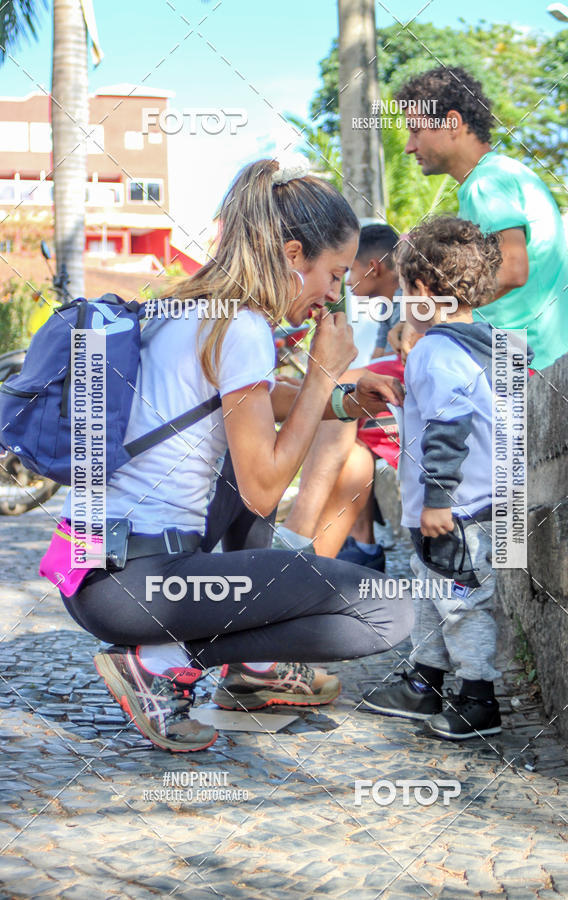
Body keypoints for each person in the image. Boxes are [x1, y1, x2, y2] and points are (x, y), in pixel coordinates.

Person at [56, 158, 412, 753]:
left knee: (243, 452)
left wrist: (341, 399)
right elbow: (263, 488)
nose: (335, 293)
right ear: (293, 255)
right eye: (334, 274)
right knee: (389, 609)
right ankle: (161, 663)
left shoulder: (186, 310)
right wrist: (323, 375)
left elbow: (254, 404)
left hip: (93, 572)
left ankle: (242, 667)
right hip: (142, 589)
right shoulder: (242, 328)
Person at [363, 215, 532, 739]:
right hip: (488, 501)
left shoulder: (435, 351)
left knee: (462, 603)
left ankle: (479, 699)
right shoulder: (497, 346)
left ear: (420, 289)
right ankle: (425, 682)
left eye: (402, 290)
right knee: (433, 591)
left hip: (454, 509)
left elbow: (449, 425)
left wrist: (437, 498)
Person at [387, 66, 568, 371]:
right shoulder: (501, 175)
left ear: (452, 123)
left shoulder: (485, 184)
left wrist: (430, 317)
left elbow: (512, 270)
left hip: (521, 368)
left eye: (416, 130)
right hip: (532, 361)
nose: (410, 147)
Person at [280, 224, 405, 570]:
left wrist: (312, 387)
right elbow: (378, 365)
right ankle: (343, 551)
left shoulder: (410, 301)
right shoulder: (388, 308)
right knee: (352, 436)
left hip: (413, 400)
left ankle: (299, 532)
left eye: (346, 274)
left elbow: (389, 369)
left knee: (337, 398)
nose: (345, 286)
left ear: (374, 268)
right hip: (391, 403)